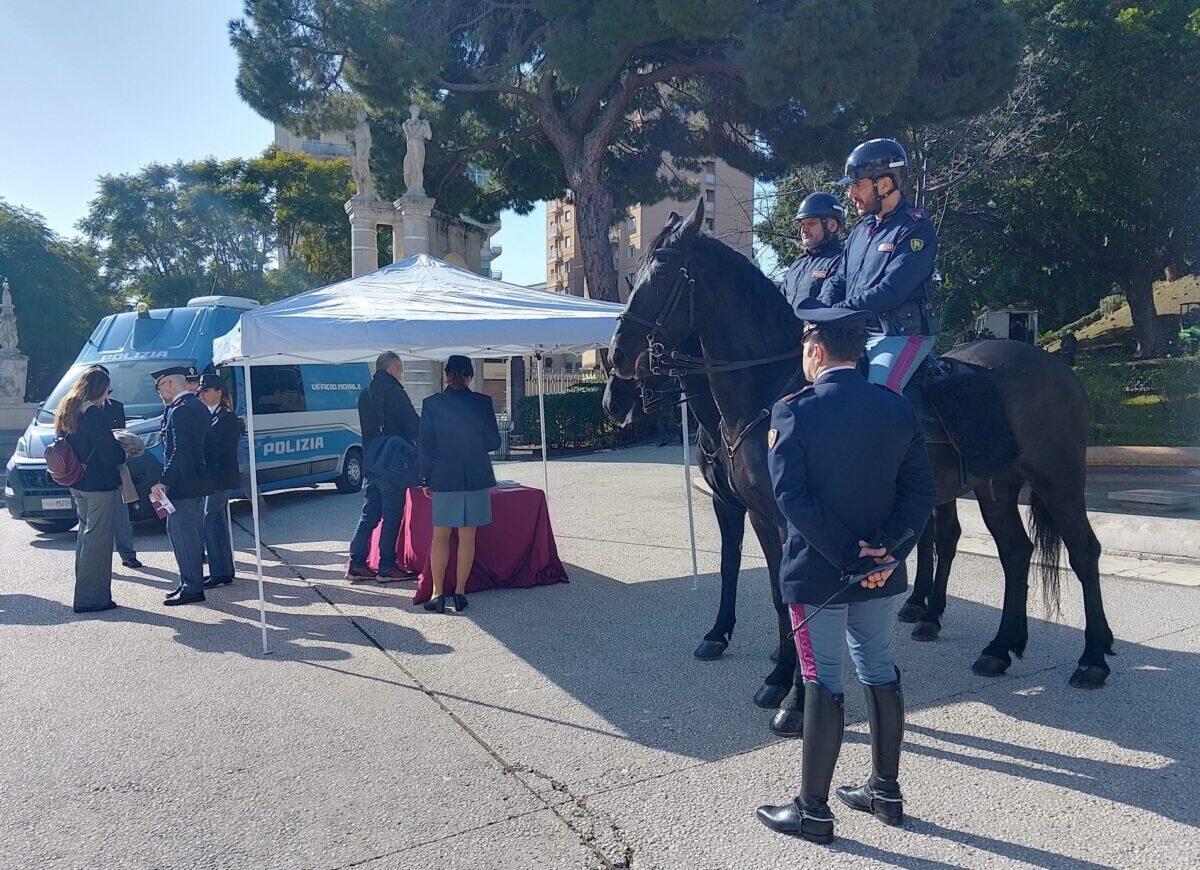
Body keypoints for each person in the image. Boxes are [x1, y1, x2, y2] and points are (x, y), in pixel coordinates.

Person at [756, 300, 935, 845]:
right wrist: (886, 551)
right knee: (879, 668)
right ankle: (885, 793)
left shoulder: (793, 411)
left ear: (814, 351)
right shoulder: (895, 407)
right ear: (860, 354)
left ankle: (812, 810)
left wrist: (849, 559)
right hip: (880, 573)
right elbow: (921, 493)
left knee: (821, 679)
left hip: (819, 574)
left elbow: (791, 500)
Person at [820, 138, 939, 393]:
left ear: (885, 184)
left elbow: (892, 291)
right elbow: (839, 280)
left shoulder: (916, 227)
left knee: (875, 395)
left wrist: (839, 311)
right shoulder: (860, 230)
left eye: (858, 186)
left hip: (901, 335)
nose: (851, 195)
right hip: (856, 335)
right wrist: (820, 309)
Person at [418, 356, 501, 614]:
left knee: (440, 536)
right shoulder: (483, 403)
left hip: (444, 476)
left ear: (446, 374)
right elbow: (493, 442)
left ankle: (437, 593)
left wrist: (425, 478)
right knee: (467, 537)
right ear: (470, 376)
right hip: (475, 476)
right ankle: (461, 593)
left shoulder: (431, 404)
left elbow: (425, 445)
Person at [56, 367, 128, 614]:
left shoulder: (68, 409)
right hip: (98, 483)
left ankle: (85, 592)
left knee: (85, 538)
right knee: (98, 540)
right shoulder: (93, 414)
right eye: (107, 389)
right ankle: (92, 599)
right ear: (99, 389)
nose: (108, 395)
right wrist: (124, 449)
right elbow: (108, 452)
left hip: (77, 482)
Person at [346, 351, 421, 582]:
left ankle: (357, 563)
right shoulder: (395, 393)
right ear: (393, 369)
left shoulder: (365, 393)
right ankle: (387, 566)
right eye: (401, 369)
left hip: (372, 460)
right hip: (392, 464)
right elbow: (413, 426)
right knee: (392, 514)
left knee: (370, 513)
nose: (402, 374)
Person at [149, 365, 213, 607]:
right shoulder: (198, 406)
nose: (160, 395)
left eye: (159, 389)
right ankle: (189, 581)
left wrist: (164, 480)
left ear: (167, 384)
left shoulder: (179, 411)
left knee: (182, 536)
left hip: (182, 484)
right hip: (197, 481)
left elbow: (179, 451)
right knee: (190, 536)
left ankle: (192, 587)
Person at [90, 365, 142, 570]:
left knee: (121, 514)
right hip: (93, 470)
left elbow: (120, 434)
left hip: (116, 465)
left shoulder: (116, 407)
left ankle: (128, 553)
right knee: (94, 522)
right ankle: (99, 562)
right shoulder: (84, 409)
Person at [198, 374, 240, 589]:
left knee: (209, 520)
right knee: (218, 523)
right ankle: (224, 570)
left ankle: (218, 571)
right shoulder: (211, 416)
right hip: (214, 477)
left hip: (220, 477)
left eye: (206, 391)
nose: (202, 395)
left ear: (219, 393)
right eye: (201, 391)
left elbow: (218, 449)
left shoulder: (227, 418)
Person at [780, 192, 846, 314]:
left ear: (832, 225)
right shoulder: (797, 265)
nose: (804, 229)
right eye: (802, 224)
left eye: (811, 223)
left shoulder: (841, 260)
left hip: (819, 331)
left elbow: (829, 303)